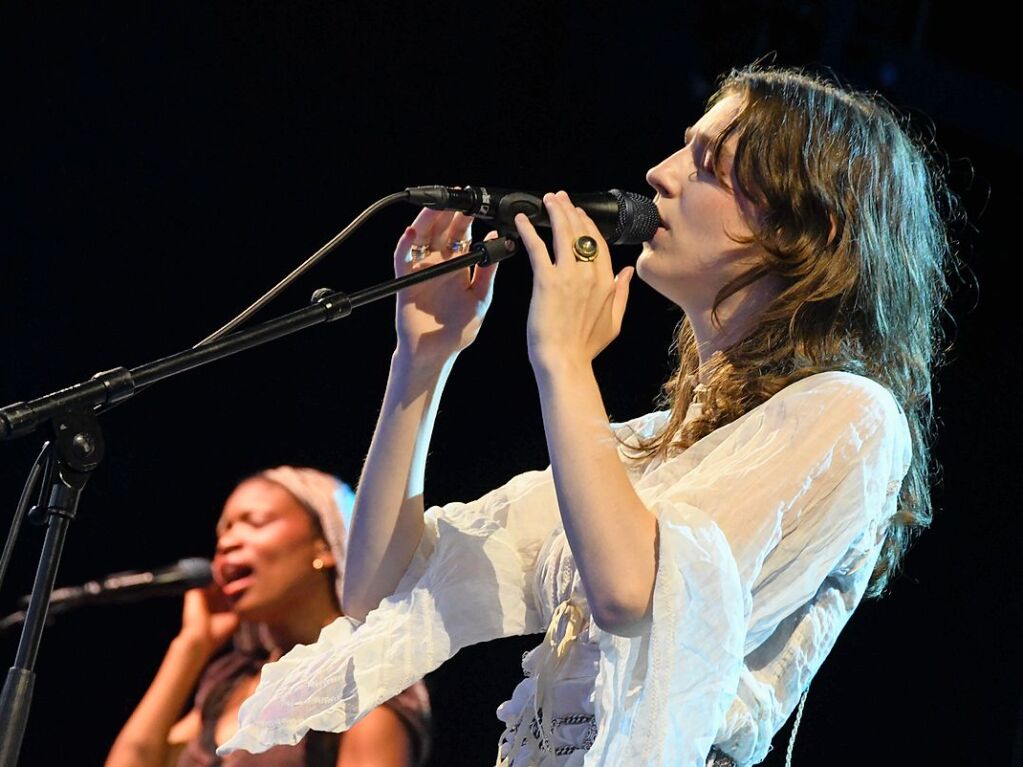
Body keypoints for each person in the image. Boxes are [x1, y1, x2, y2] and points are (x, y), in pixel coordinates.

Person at [218, 63, 954, 766]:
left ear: (806, 226)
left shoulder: (853, 415)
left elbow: (632, 590)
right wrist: (421, 362)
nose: (659, 173)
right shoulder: (646, 452)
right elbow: (378, 585)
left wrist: (564, 361)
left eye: (705, 164)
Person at [105, 467, 431, 767]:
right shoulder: (231, 680)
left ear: (325, 545)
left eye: (256, 522)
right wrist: (191, 647)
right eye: (224, 531)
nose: (227, 542)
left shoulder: (365, 674)